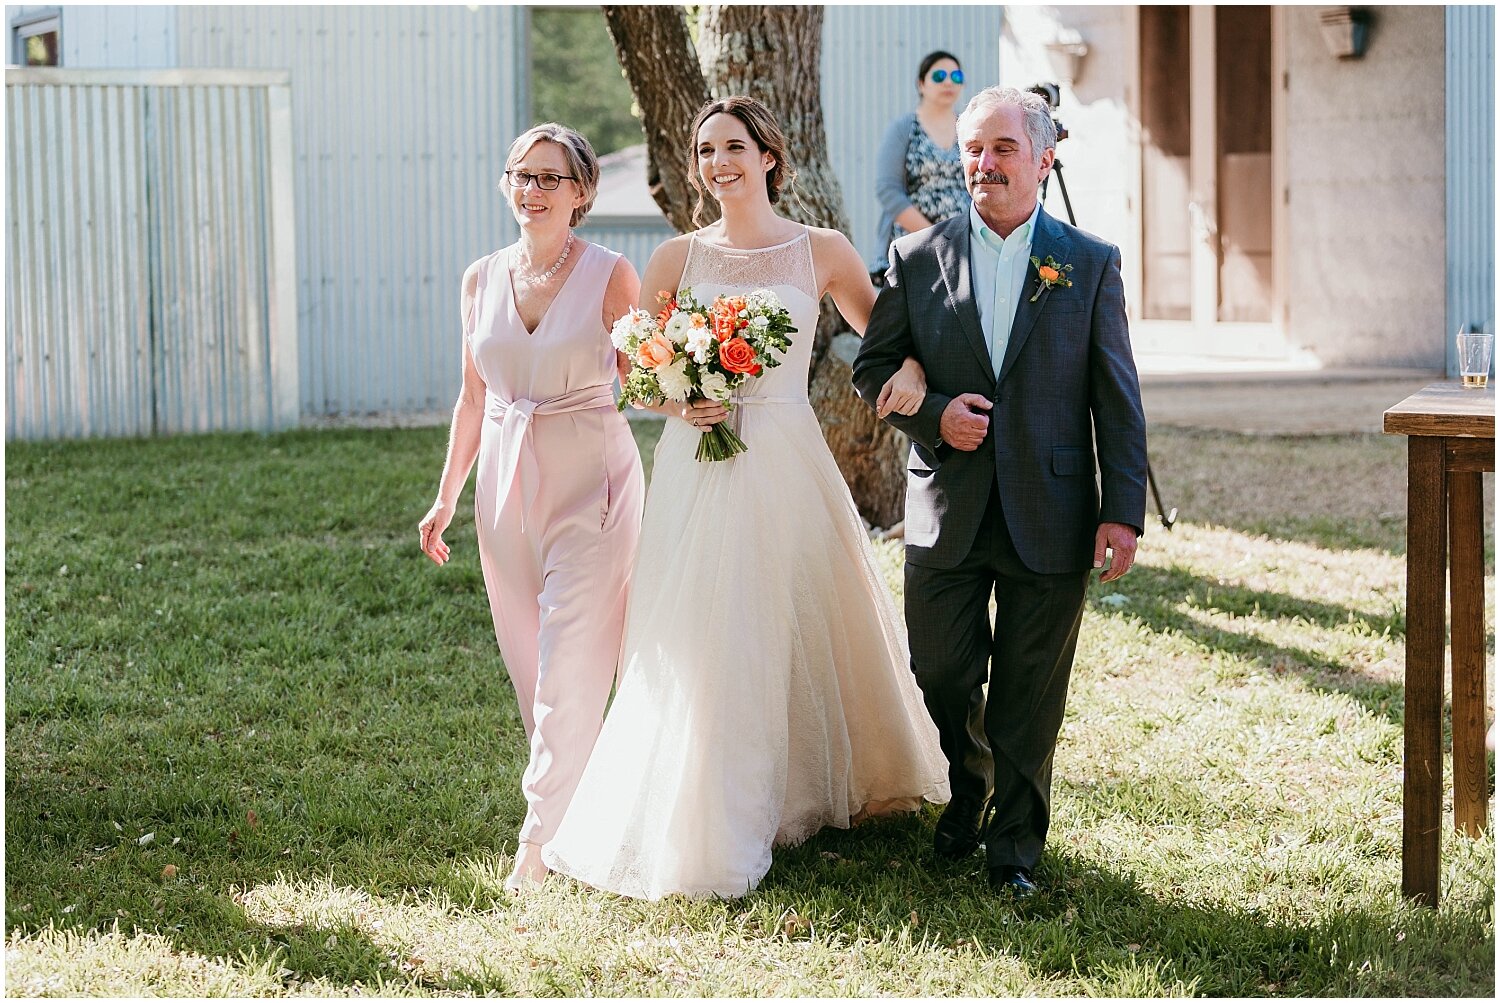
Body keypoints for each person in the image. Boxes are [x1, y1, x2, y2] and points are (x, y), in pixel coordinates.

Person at [543, 96, 949, 900]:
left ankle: (811, 784)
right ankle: (712, 805)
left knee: (794, 613)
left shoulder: (822, 250)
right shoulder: (675, 260)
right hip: (701, 459)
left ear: (768, 155)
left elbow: (888, 340)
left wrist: (911, 374)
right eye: (704, 150)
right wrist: (681, 399)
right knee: (707, 628)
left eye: (733, 146)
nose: (717, 162)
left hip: (790, 454)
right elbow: (636, 373)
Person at [852, 86, 1148, 897]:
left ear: (1044, 160)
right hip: (946, 503)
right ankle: (969, 772)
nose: (984, 163)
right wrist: (938, 416)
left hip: (1051, 507)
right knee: (942, 669)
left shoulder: (1088, 263)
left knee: (1029, 693)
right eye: (974, 149)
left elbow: (1116, 395)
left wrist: (1122, 511)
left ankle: (1014, 845)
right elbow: (871, 367)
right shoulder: (916, 258)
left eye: (1003, 148)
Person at [417, 123, 645, 894]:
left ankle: (537, 845)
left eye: (551, 177)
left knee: (572, 662)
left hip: (595, 484)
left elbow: (645, 378)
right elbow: (472, 396)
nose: (533, 190)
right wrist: (446, 495)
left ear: (582, 192)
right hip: (504, 491)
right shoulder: (480, 278)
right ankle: (579, 814)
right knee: (532, 663)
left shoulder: (613, 274)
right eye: (522, 174)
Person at [869, 50, 972, 282]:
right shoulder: (904, 128)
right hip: (914, 246)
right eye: (939, 76)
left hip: (964, 247)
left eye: (955, 76)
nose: (948, 82)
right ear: (921, 84)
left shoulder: (969, 129)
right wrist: (933, 237)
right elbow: (887, 190)